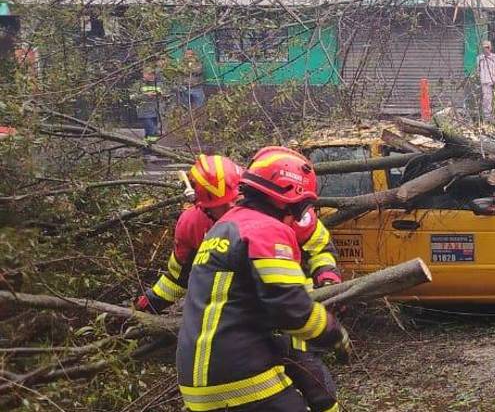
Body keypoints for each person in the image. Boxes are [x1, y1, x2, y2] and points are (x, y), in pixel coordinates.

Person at [141, 154, 343, 412]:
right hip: (250, 352)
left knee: (315, 386)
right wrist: (332, 332)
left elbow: (320, 246)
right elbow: (176, 277)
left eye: (232, 202)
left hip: (213, 364)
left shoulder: (224, 227)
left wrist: (328, 279)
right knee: (315, 388)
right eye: (218, 207)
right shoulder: (254, 226)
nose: (228, 211)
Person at [476, 40, 495, 119]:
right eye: (485, 47)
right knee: (487, 99)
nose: (486, 49)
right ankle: (487, 117)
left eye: (488, 47)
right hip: (485, 82)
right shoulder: (480, 58)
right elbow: (478, 70)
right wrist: (480, 76)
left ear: (490, 48)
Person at [135, 67, 165, 143]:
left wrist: (161, 95)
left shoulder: (158, 84)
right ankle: (152, 147)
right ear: (144, 74)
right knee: (151, 130)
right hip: (144, 112)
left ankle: (145, 147)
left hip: (156, 112)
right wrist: (146, 95)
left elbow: (165, 94)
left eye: (153, 74)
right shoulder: (138, 84)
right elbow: (132, 97)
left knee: (150, 132)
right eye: (149, 74)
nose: (151, 76)